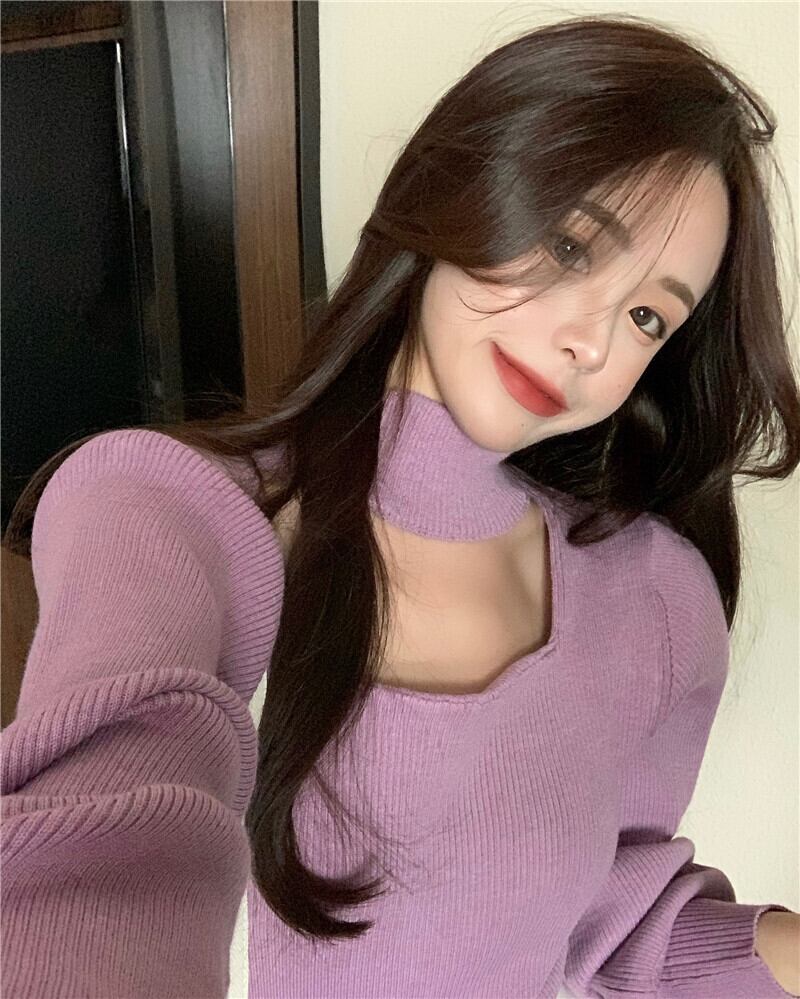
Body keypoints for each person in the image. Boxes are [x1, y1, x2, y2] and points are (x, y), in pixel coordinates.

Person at [2, 12, 799, 999]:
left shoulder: (657, 602)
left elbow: (618, 922)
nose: (590, 341)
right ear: (456, 189)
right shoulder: (167, 514)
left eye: (646, 315)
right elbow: (96, 865)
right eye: (568, 245)